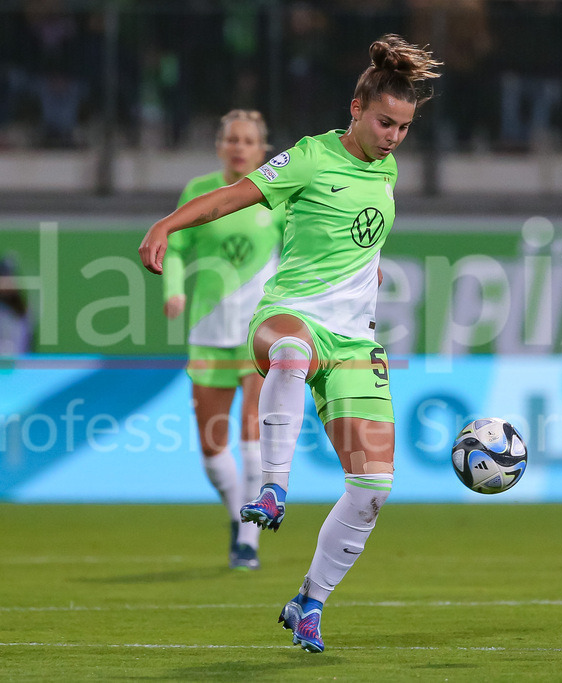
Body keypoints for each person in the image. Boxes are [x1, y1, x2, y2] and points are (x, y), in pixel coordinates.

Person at [139, 34, 440, 653]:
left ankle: (309, 601)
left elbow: (357, 234)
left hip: (354, 339)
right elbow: (232, 197)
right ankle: (273, 487)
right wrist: (167, 223)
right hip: (289, 313)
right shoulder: (309, 156)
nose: (393, 137)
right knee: (292, 353)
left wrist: (370, 268)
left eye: (404, 128)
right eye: (384, 123)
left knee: (373, 488)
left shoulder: (386, 168)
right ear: (356, 109)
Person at [162, 109, 285, 571]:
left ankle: (248, 540)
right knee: (213, 447)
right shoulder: (199, 191)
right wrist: (173, 288)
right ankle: (237, 515)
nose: (239, 147)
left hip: (259, 331)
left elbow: (302, 248)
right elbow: (176, 247)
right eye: (232, 139)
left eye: (248, 140)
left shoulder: (277, 194)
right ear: (219, 146)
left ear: (262, 150)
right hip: (209, 330)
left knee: (253, 435)